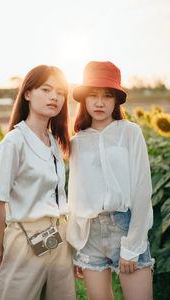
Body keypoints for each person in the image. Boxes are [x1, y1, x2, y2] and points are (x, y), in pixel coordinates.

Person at [66, 61, 154, 300]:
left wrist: (132, 245)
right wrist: (76, 246)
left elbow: (142, 189)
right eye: (93, 95)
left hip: (124, 227)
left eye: (107, 95)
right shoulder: (78, 141)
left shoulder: (130, 132)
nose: (99, 102)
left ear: (116, 100)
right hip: (89, 234)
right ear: (84, 100)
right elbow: (75, 194)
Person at [0, 65, 76, 300]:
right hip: (25, 239)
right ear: (27, 94)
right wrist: (0, 253)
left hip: (59, 238)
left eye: (59, 92)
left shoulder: (55, 142)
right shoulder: (13, 143)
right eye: (46, 89)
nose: (54, 97)